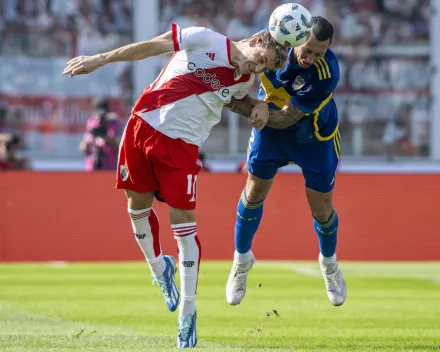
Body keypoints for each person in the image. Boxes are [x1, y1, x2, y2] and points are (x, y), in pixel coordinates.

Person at [62, 23, 287, 349]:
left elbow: (234, 101)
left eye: (263, 68)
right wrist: (100, 59)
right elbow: (150, 46)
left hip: (182, 147)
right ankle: (159, 268)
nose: (255, 68)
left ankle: (188, 312)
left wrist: (259, 105)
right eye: (257, 60)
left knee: (184, 225)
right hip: (142, 125)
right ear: (253, 41)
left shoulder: (244, 80)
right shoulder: (204, 38)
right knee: (136, 208)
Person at [224, 16, 347, 308]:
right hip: (271, 130)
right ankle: (241, 262)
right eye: (308, 49)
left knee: (321, 209)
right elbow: (237, 61)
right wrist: (224, 89)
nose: (311, 58)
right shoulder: (270, 44)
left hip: (313, 135)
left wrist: (236, 104)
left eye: (319, 53)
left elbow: (284, 118)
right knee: (253, 193)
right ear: (296, 38)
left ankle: (329, 266)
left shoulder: (327, 72)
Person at [79, 98, 122, 171]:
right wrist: (89, 141)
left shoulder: (115, 123)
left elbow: (122, 149)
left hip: (109, 167)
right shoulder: (91, 122)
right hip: (92, 167)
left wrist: (109, 139)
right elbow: (82, 148)